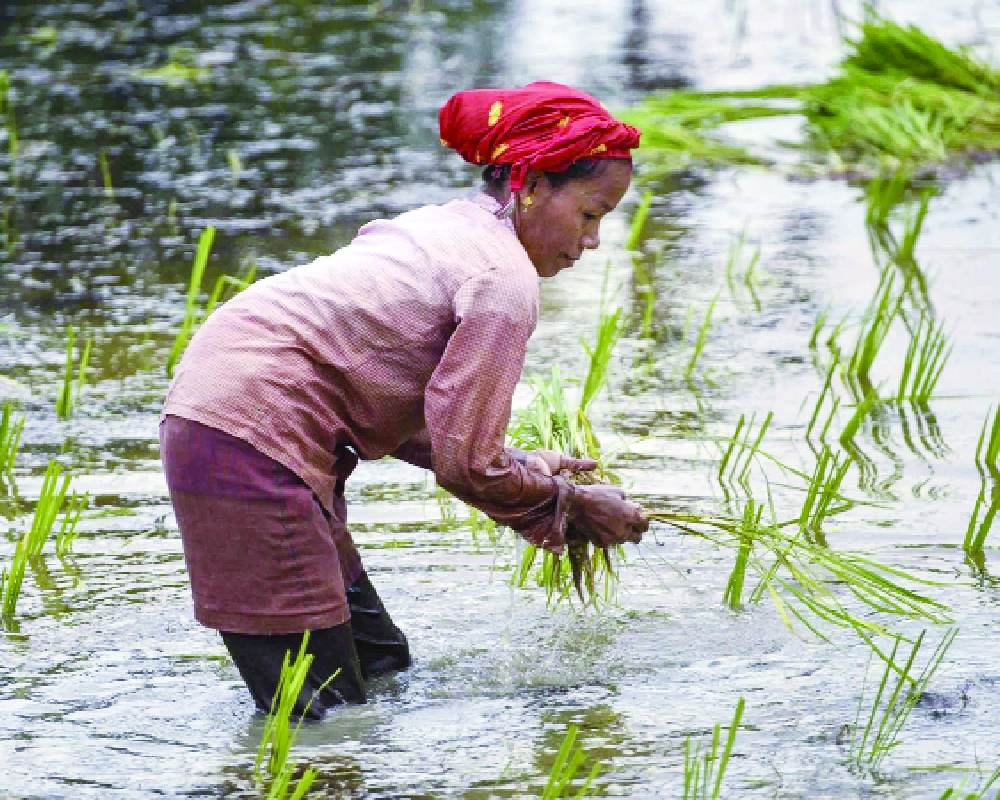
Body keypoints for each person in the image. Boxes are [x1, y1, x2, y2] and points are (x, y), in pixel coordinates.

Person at [159, 81, 649, 719]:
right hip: (250, 439)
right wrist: (572, 503)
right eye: (590, 214)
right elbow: (466, 466)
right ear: (531, 184)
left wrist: (522, 464)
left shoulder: (445, 226)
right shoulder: (503, 283)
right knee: (319, 718)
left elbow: (397, 406)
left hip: (240, 419)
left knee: (381, 663)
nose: (592, 241)